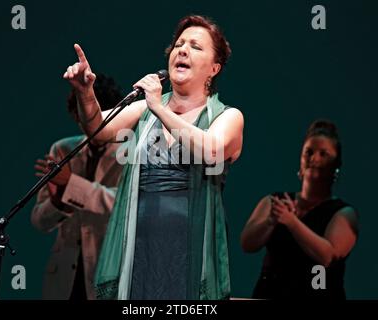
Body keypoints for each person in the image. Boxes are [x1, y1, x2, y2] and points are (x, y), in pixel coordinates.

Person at [63, 15, 244, 299]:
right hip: (139, 249)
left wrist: (160, 107)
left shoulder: (227, 116)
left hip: (189, 253)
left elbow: (211, 149)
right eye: (179, 44)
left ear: (214, 68)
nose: (182, 50)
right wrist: (85, 93)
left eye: (195, 46)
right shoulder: (143, 109)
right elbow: (98, 130)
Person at [241, 119, 359, 299]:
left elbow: (327, 256)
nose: (314, 158)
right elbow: (247, 244)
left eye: (323, 154)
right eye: (309, 152)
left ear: (336, 166)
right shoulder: (275, 201)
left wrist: (292, 222)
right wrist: (271, 221)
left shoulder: (343, 213)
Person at [31, 73, 124, 300]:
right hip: (64, 280)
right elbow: (39, 222)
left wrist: (70, 184)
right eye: (80, 114)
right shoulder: (62, 149)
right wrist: (57, 202)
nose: (87, 121)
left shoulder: (130, 153)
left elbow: (123, 205)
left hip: (109, 275)